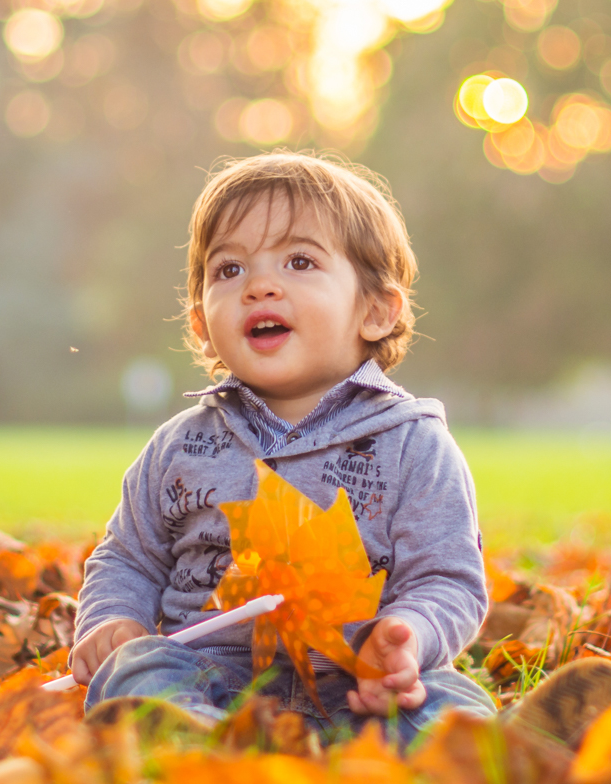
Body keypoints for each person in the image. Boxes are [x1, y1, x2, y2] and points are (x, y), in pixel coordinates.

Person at [67, 152, 503, 744]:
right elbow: (128, 558)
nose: (259, 286)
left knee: (448, 702)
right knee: (139, 670)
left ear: (376, 310)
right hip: (212, 677)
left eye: (300, 262)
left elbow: (448, 578)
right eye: (229, 270)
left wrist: (409, 635)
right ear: (201, 325)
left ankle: (494, 750)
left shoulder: (414, 444)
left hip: (356, 681)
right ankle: (208, 742)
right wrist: (112, 620)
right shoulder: (179, 446)